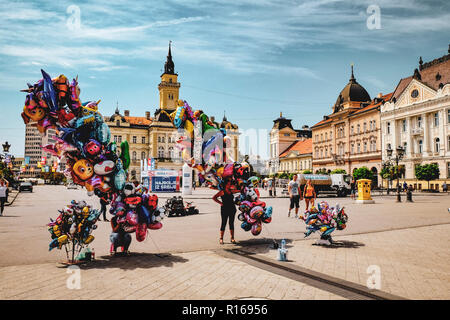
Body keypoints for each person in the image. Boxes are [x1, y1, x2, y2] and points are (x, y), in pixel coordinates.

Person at [212, 179, 237, 244]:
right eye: (228, 184)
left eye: (230, 184)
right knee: (223, 223)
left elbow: (239, 191)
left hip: (232, 208)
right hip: (224, 209)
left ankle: (232, 238)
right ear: (225, 185)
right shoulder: (222, 192)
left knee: (231, 223)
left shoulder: (231, 191)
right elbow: (214, 197)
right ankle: (221, 238)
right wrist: (220, 203)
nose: (229, 185)